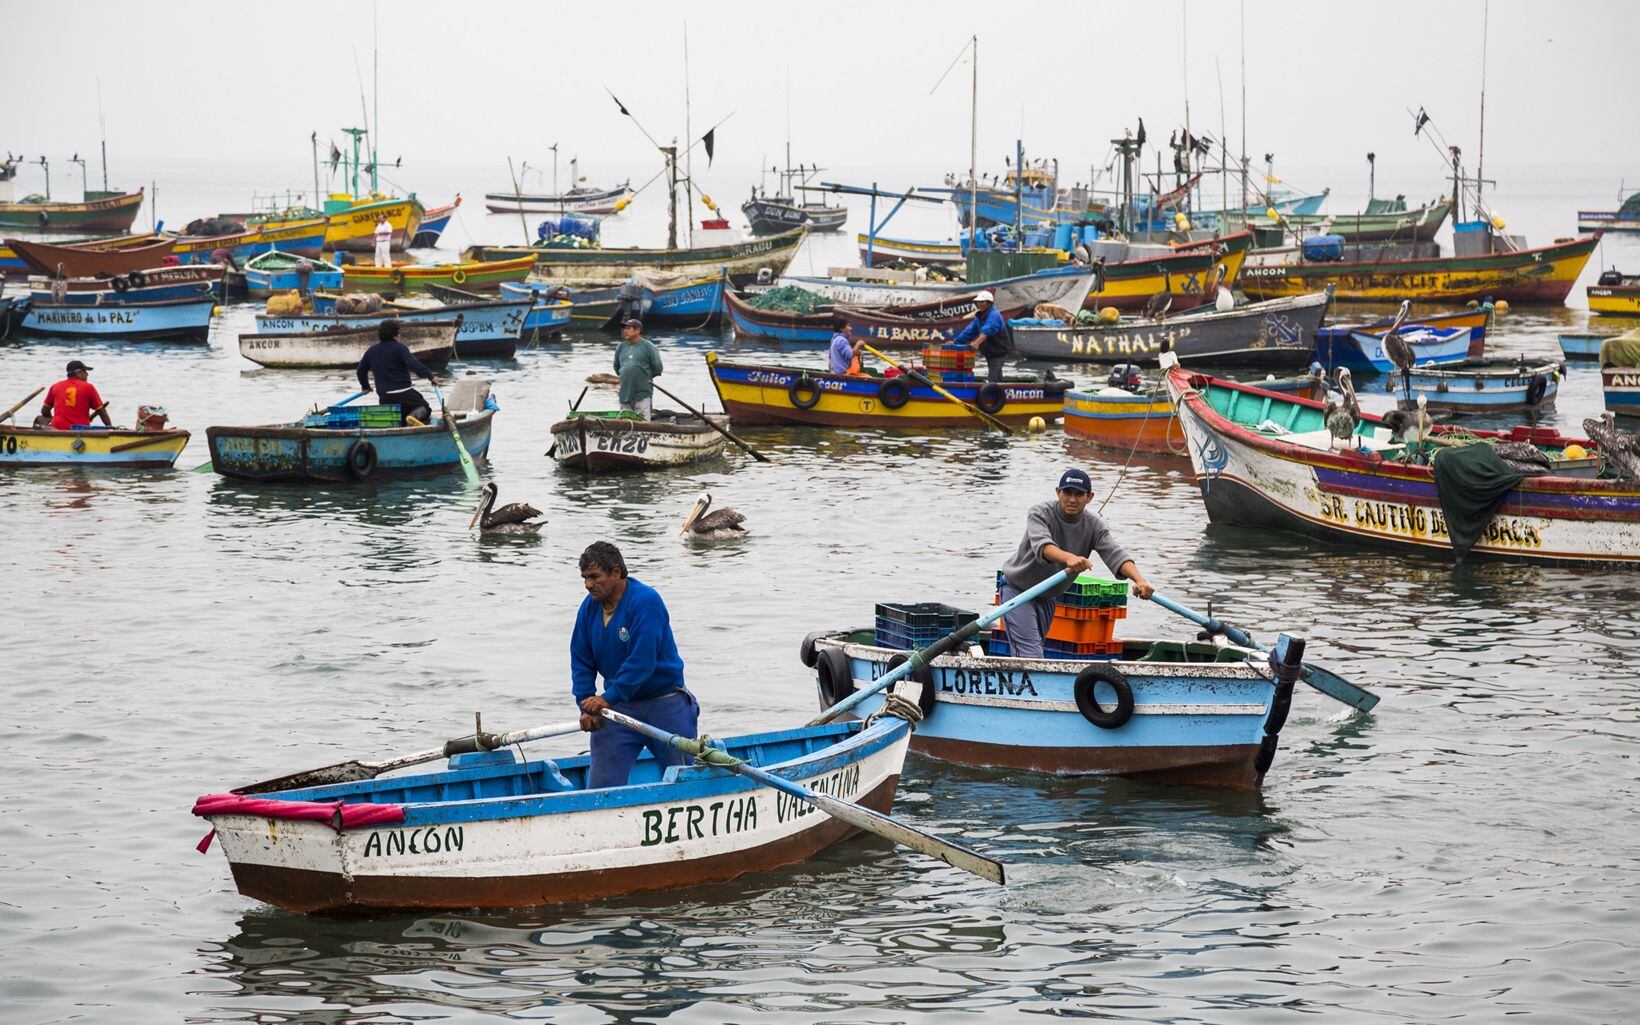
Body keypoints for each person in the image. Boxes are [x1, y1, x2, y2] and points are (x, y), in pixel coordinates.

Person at [570, 541, 699, 789]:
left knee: (684, 783)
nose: (588, 585)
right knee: (601, 788)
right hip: (618, 708)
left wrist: (607, 698)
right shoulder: (589, 608)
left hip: (665, 704)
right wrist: (586, 704)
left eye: (594, 577)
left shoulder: (646, 602)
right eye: (584, 578)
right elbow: (580, 660)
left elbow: (642, 662)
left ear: (616, 572)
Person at [999, 468, 1156, 660]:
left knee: (1035, 648)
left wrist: (1140, 580)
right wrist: (1069, 558)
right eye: (1067, 493)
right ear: (1058, 492)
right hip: (1018, 590)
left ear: (1089, 497)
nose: (1072, 499)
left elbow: (1115, 554)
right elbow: (1043, 546)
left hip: (1048, 596)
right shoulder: (1040, 513)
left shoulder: (1094, 525)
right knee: (1030, 654)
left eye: (1079, 494)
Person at [356, 319, 438, 424]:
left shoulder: (371, 350)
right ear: (396, 335)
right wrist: (431, 377)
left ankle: (406, 421)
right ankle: (413, 417)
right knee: (425, 408)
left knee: (397, 416)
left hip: (385, 397)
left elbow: (360, 371)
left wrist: (365, 386)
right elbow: (414, 364)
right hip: (404, 393)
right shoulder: (400, 348)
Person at [950, 288, 1010, 382]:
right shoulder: (979, 316)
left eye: (982, 302)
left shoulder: (994, 315)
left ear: (989, 303)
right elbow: (969, 332)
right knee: (995, 372)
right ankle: (998, 389)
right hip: (989, 350)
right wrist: (955, 342)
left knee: (994, 372)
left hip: (999, 350)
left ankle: (995, 392)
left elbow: (987, 331)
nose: (979, 304)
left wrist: (977, 342)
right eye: (978, 302)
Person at [39, 360, 113, 430]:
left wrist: (53, 419)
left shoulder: (55, 386)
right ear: (79, 373)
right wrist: (110, 428)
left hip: (57, 429)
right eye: (85, 371)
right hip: (80, 430)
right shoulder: (88, 387)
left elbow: (44, 411)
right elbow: (102, 412)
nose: (87, 374)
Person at [614, 318, 662, 420]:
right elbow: (617, 367)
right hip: (625, 393)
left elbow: (658, 368)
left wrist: (643, 376)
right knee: (625, 425)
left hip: (642, 393)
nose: (625, 331)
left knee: (643, 424)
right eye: (624, 328)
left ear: (638, 330)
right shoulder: (621, 347)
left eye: (628, 328)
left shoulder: (649, 347)